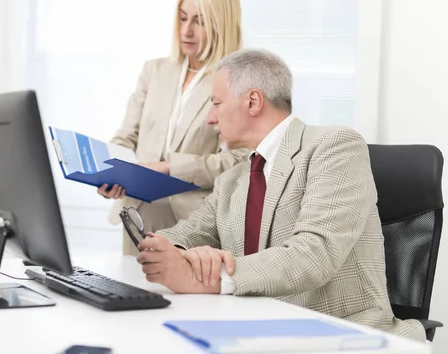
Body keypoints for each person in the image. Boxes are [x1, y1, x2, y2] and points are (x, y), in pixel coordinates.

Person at [135, 48, 426, 341]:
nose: (210, 118)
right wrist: (181, 256)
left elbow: (314, 254)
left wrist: (209, 278)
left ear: (252, 101)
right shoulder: (233, 179)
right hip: (256, 329)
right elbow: (187, 232)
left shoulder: (335, 147)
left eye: (217, 103)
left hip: (342, 333)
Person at [98, 0, 248, 255]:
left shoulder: (236, 81)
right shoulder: (154, 71)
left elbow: (238, 163)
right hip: (138, 213)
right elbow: (125, 137)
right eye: (182, 18)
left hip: (193, 223)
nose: (186, 31)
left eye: (199, 21)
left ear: (222, 24)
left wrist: (170, 168)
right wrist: (112, 175)